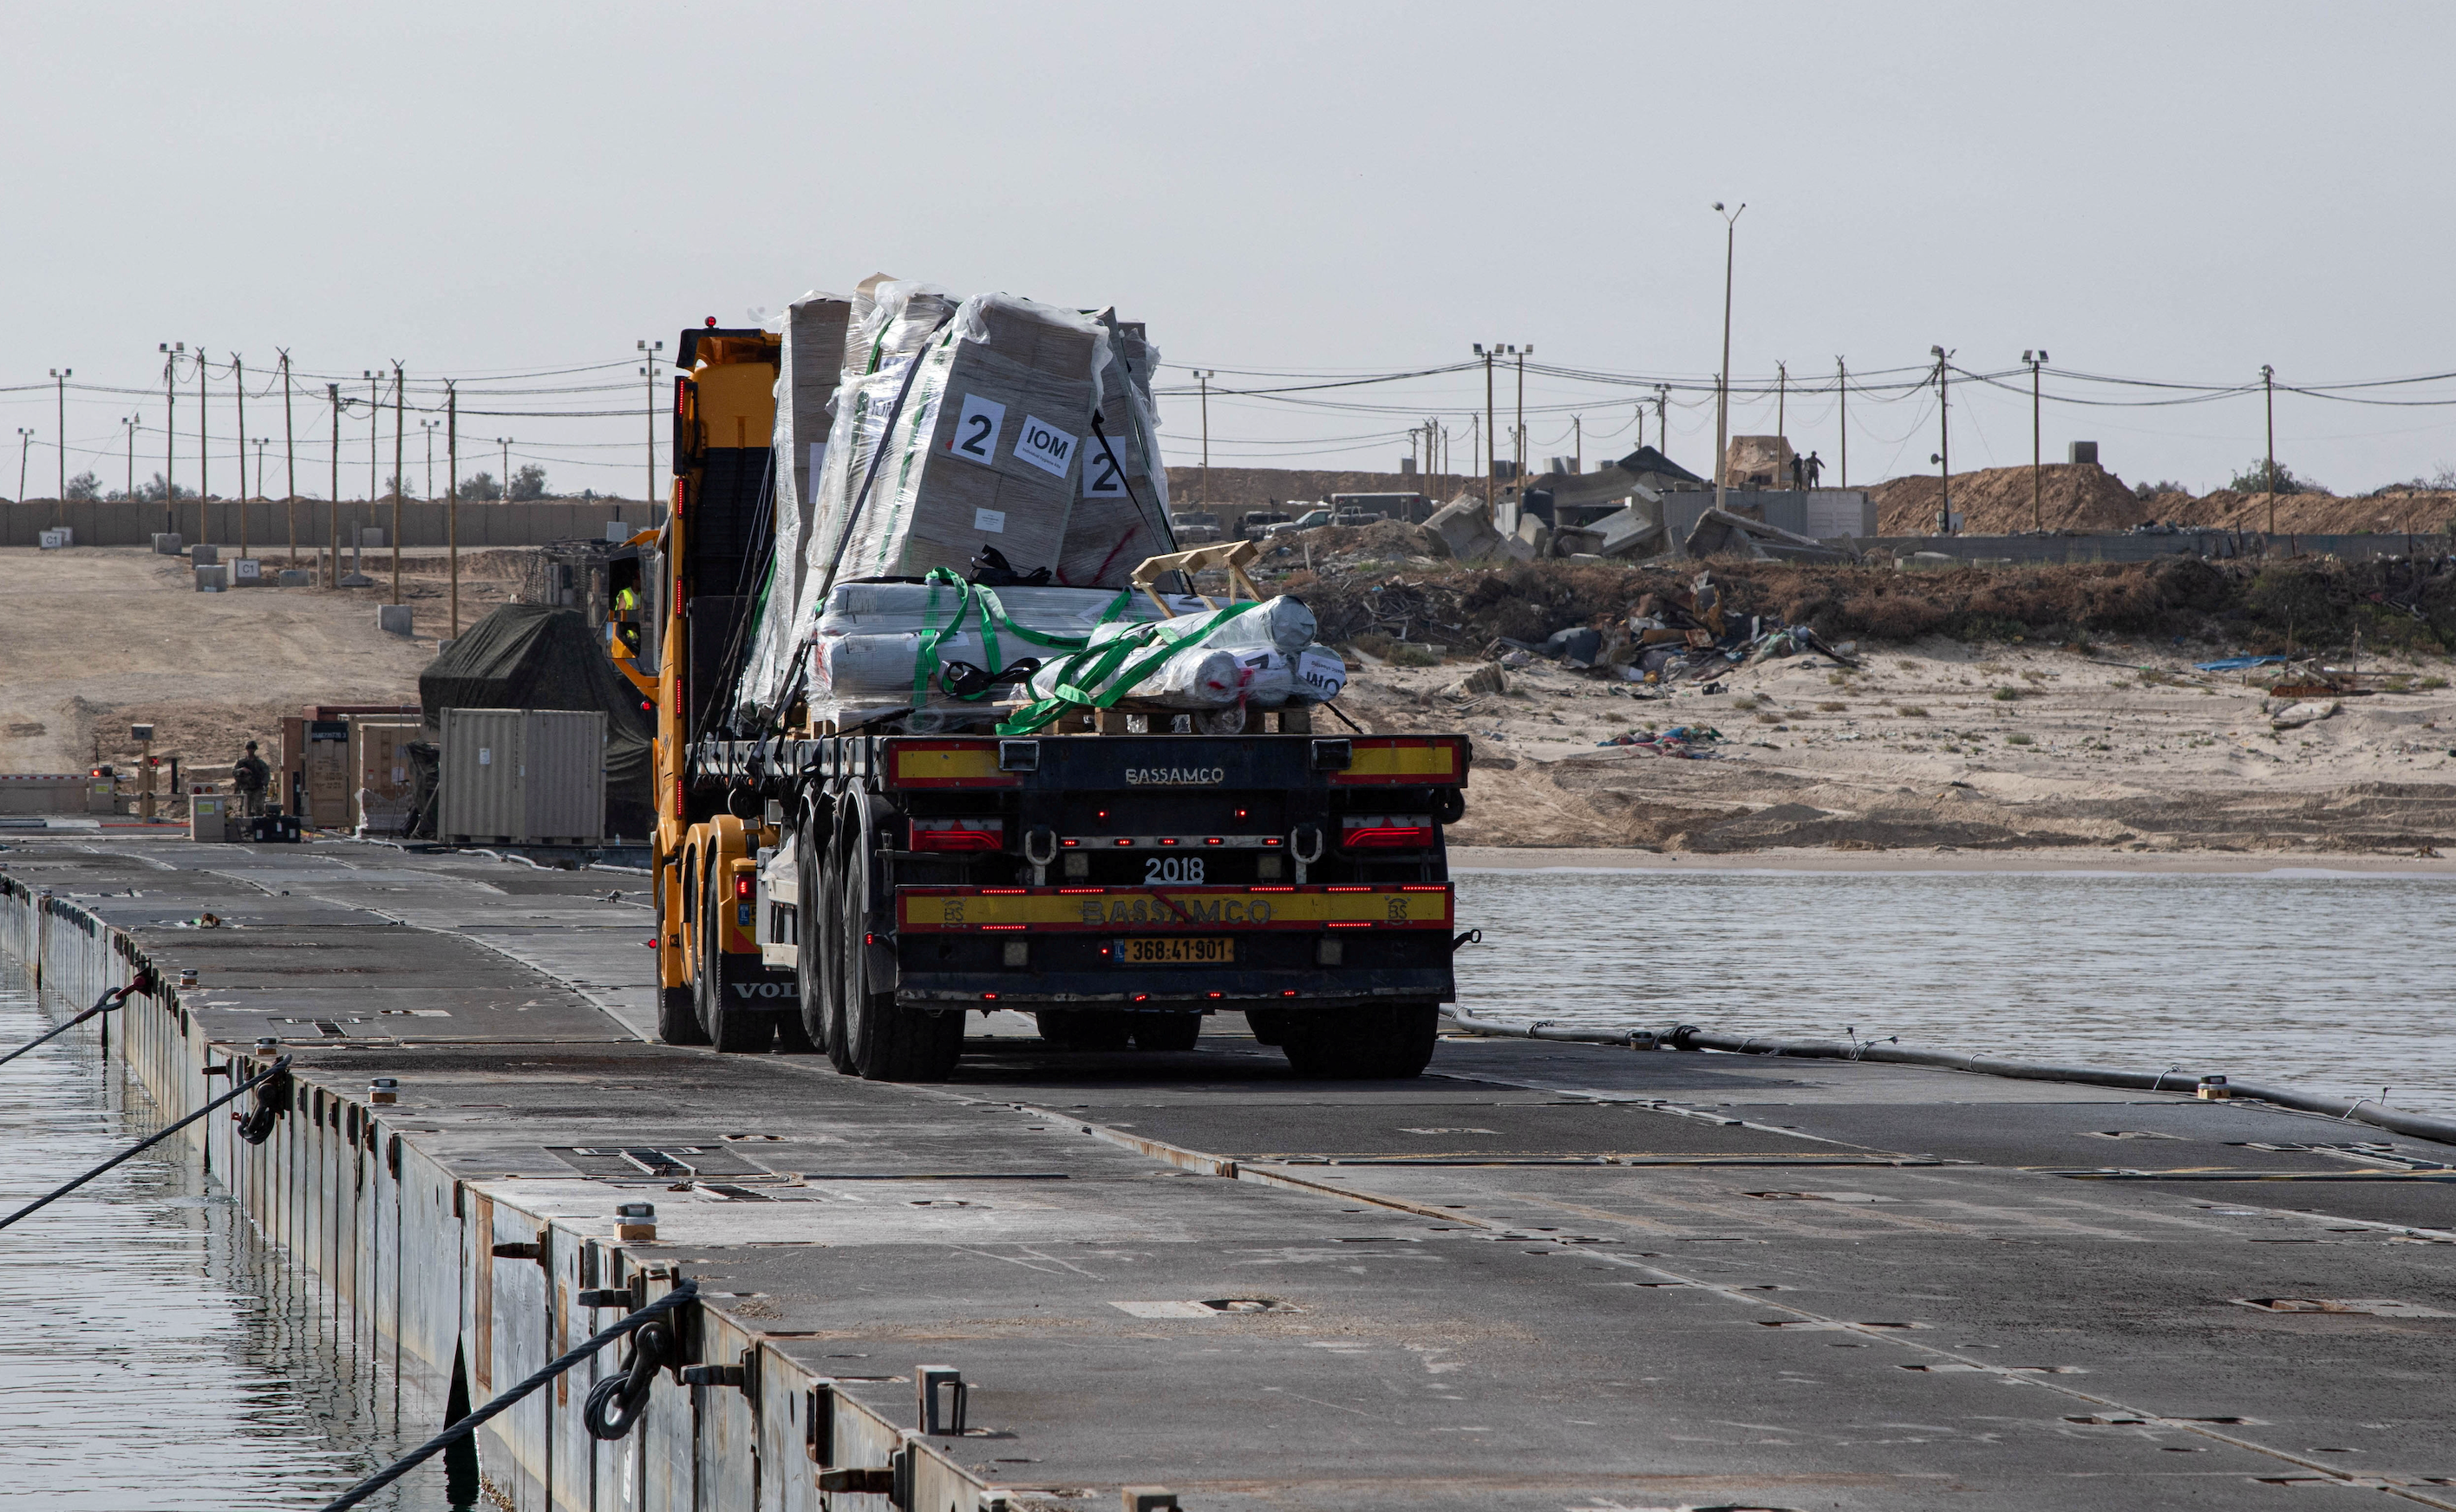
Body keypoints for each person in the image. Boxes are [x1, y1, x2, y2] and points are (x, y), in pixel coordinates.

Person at [232, 740, 271, 818]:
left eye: (252, 748)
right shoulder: (241, 762)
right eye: (249, 748)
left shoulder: (260, 763)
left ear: (255, 750)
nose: (251, 750)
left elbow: (266, 773)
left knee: (259, 807)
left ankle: (259, 823)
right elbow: (233, 772)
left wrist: (264, 784)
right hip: (246, 788)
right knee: (246, 808)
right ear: (246, 749)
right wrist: (242, 770)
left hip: (257, 788)